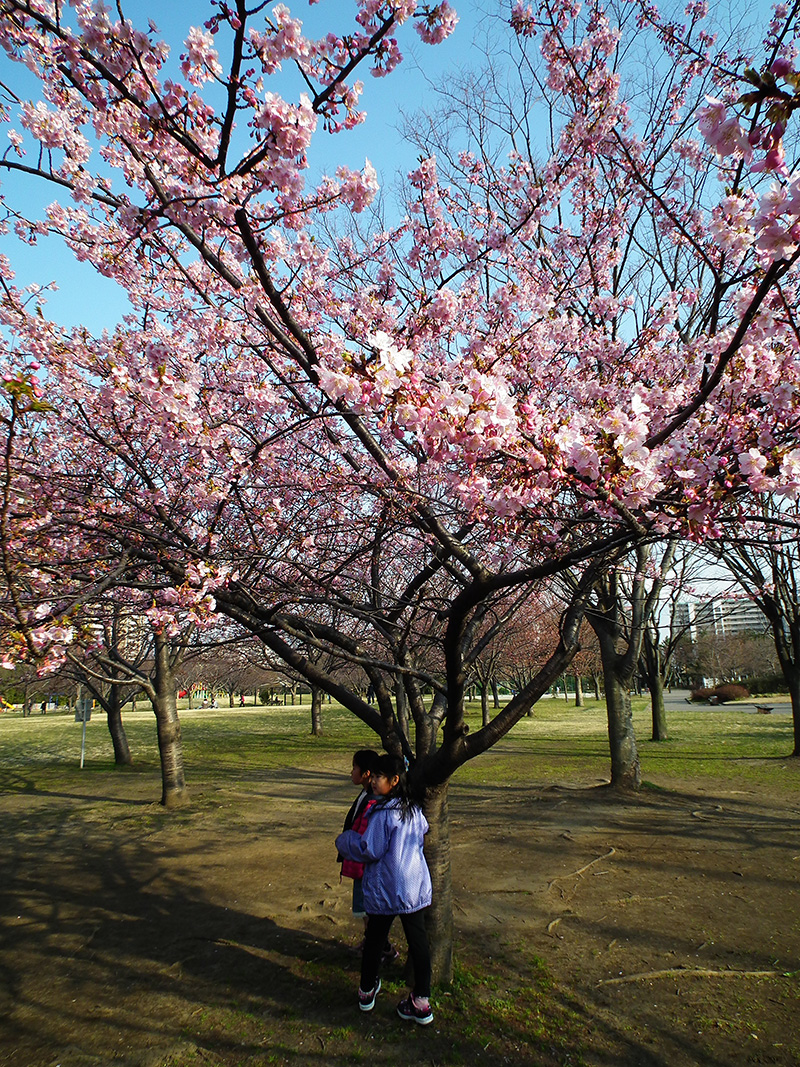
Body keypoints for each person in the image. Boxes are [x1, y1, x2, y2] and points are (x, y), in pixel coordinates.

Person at [335, 753, 433, 1025]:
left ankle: (367, 991)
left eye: (379, 777)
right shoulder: (413, 809)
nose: (374, 781)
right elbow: (423, 829)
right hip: (413, 888)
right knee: (418, 941)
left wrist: (344, 842)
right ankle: (422, 1001)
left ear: (394, 780)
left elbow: (370, 849)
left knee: (375, 940)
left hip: (386, 891)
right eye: (373, 776)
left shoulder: (383, 814)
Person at [338, 749, 381, 941]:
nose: (351, 771)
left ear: (366, 774)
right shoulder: (365, 794)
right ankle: (371, 943)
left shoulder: (372, 800)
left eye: (354, 767)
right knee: (364, 910)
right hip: (360, 863)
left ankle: (381, 948)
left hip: (365, 866)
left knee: (367, 910)